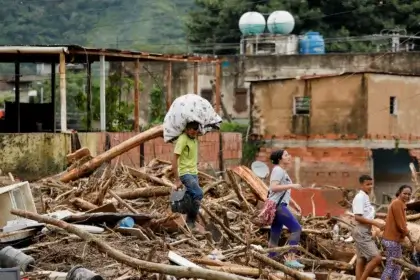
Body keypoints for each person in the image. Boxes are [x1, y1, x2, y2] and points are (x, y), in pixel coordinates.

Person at [267, 149, 304, 269]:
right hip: (279, 207)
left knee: (275, 232)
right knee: (296, 229)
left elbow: (283, 191)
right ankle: (291, 259)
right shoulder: (278, 170)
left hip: (279, 205)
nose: (289, 156)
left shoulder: (282, 171)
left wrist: (293, 203)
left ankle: (271, 257)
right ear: (280, 159)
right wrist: (292, 185)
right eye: (286, 155)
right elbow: (273, 187)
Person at [352, 175, 385, 280]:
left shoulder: (365, 196)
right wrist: (376, 223)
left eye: (371, 184)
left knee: (361, 259)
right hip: (361, 231)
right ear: (361, 185)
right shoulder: (360, 197)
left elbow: (367, 214)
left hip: (364, 230)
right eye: (367, 184)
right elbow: (357, 217)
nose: (370, 186)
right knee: (377, 258)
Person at [172, 121, 202, 232]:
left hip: (194, 173)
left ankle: (184, 222)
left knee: (191, 198)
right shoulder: (182, 139)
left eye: (197, 128)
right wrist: (176, 179)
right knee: (198, 193)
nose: (195, 131)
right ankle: (188, 221)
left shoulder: (194, 139)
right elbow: (174, 158)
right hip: (185, 173)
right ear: (187, 129)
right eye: (193, 128)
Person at [381, 185, 414, 280]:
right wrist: (411, 239)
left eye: (409, 194)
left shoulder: (399, 203)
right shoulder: (397, 203)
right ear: (399, 192)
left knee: (397, 265)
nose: (407, 196)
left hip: (393, 240)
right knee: (391, 265)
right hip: (392, 240)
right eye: (405, 193)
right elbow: (401, 225)